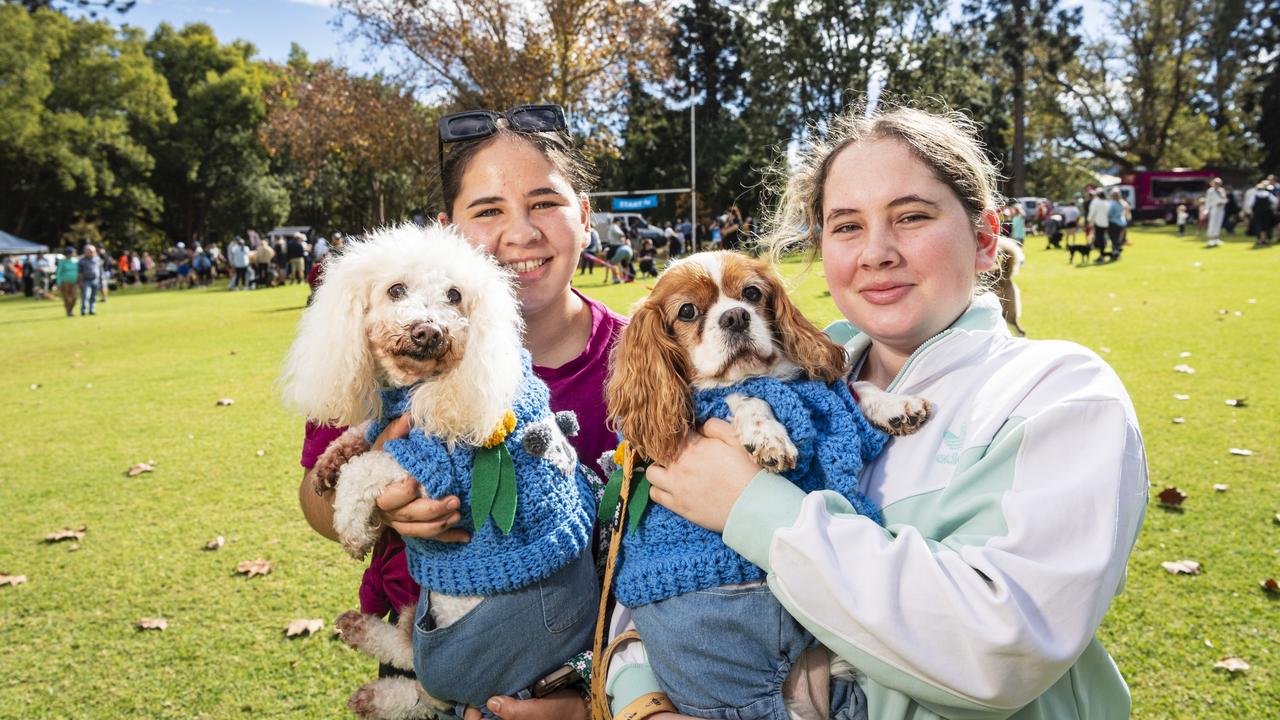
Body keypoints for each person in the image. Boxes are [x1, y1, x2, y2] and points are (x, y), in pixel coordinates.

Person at [607, 105, 1147, 719]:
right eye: (846, 226)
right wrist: (641, 700)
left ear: (986, 237)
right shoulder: (777, 385)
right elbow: (647, 563)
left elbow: (1004, 649)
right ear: (821, 246)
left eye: (911, 217)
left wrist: (751, 508)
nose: (878, 252)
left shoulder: (1062, 393)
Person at [297, 106, 626, 720]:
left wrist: (591, 698)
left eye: (545, 203)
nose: (522, 233)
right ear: (448, 230)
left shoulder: (646, 357)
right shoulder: (380, 350)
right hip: (422, 637)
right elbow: (318, 505)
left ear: (585, 216)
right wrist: (379, 506)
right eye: (489, 210)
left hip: (600, 663)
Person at [54, 247, 80, 317]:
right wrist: (58, 283)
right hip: (65, 282)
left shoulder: (76, 261)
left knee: (74, 298)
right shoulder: (62, 262)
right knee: (67, 298)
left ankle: (70, 310)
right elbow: (58, 273)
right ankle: (68, 312)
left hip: (74, 282)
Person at [78, 244, 103, 315]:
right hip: (86, 280)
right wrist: (80, 281)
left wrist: (101, 280)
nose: (91, 253)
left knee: (94, 296)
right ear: (85, 252)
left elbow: (100, 270)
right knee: (85, 296)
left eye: (93, 251)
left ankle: (92, 309)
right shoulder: (81, 260)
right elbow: (80, 272)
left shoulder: (97, 258)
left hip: (95, 280)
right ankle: (83, 310)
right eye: (89, 251)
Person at [1085, 189, 1110, 260]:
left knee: (1100, 239)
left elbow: (1092, 212)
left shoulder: (1095, 202)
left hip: (1098, 223)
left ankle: (1101, 255)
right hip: (1105, 223)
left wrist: (1089, 221)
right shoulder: (1106, 202)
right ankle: (1102, 253)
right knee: (1102, 238)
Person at [1204, 178, 1227, 248]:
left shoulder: (1222, 190)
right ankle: (1210, 239)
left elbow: (1225, 199)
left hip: (1221, 209)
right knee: (1212, 224)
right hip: (1214, 209)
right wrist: (1206, 210)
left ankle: (1216, 238)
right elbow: (1207, 201)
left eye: (1219, 183)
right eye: (1216, 183)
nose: (1217, 184)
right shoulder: (1210, 191)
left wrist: (1222, 203)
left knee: (1218, 223)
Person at [1106, 189, 1128, 260]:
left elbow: (1109, 214)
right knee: (1118, 239)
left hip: (1113, 223)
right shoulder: (1122, 203)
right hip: (1122, 222)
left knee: (1114, 239)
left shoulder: (1112, 204)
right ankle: (1117, 252)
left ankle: (1115, 253)